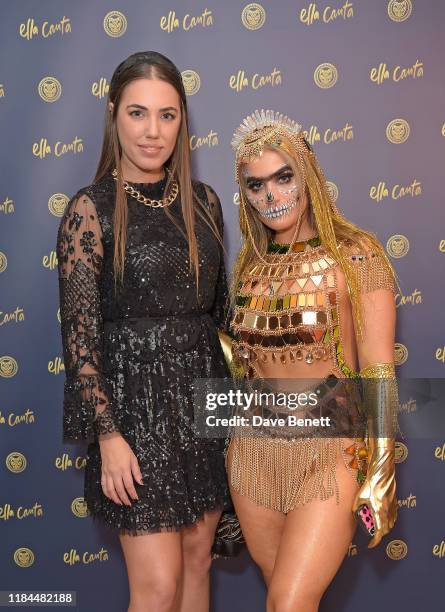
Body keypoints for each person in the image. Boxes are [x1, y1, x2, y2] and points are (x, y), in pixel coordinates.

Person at [56, 51, 231, 612]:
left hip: (204, 405)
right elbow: (80, 341)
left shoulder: (205, 203)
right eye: (138, 113)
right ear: (113, 115)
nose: (153, 132)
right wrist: (107, 435)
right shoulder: (90, 210)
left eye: (168, 115)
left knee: (199, 566)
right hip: (135, 417)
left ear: (183, 121)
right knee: (156, 589)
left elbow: (222, 318)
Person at [224, 109, 400, 612]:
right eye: (255, 185)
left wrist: (382, 467)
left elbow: (379, 371)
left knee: (289, 602)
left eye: (284, 177)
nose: (271, 196)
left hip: (329, 451)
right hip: (253, 453)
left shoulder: (356, 255)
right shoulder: (250, 265)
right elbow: (247, 362)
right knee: (278, 593)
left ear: (309, 176)